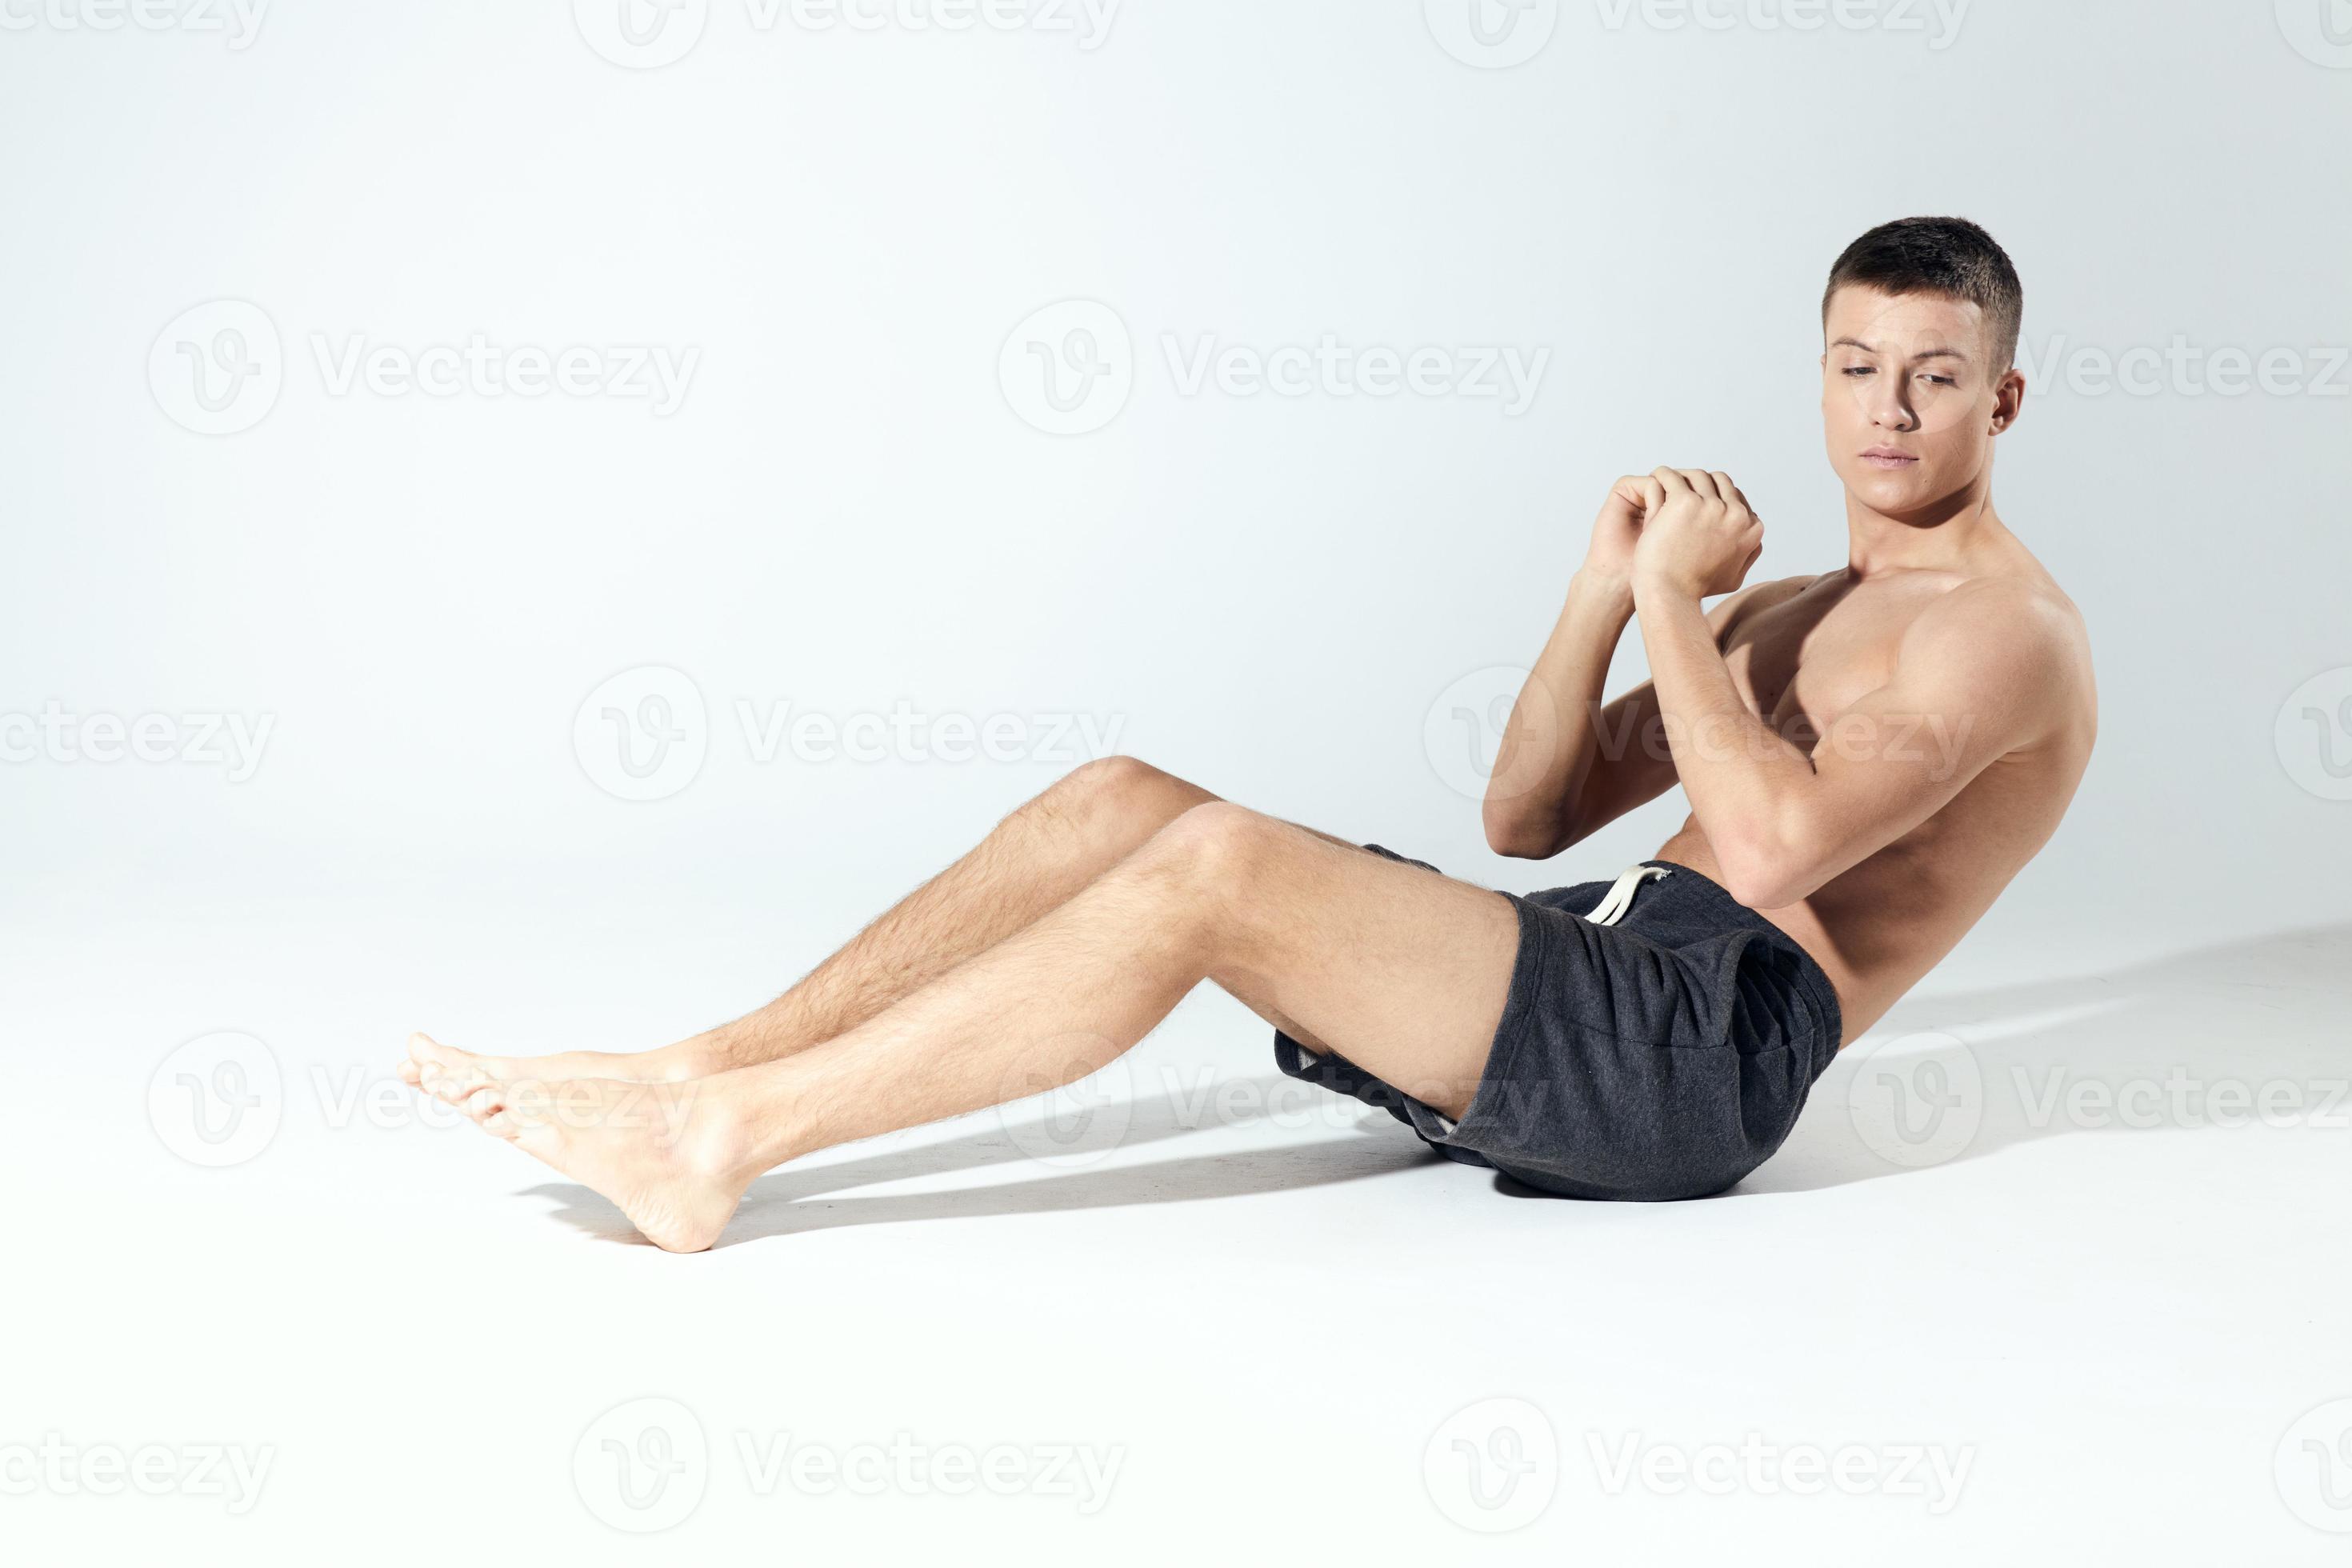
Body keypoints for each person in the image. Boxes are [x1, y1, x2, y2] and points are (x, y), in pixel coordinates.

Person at [402, 214, 2095, 1251]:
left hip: (1697, 1061)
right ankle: (702, 1067)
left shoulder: (2004, 634)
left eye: (1934, 374)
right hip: (1595, 957)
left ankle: (719, 1150)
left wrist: (1668, 596)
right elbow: (1526, 814)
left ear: (2003, 397)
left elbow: (1781, 848)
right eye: (1854, 364)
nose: (1886, 407)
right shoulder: (1790, 606)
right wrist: (1601, 588)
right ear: (1819, 375)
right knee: (1116, 800)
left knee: (1215, 868)